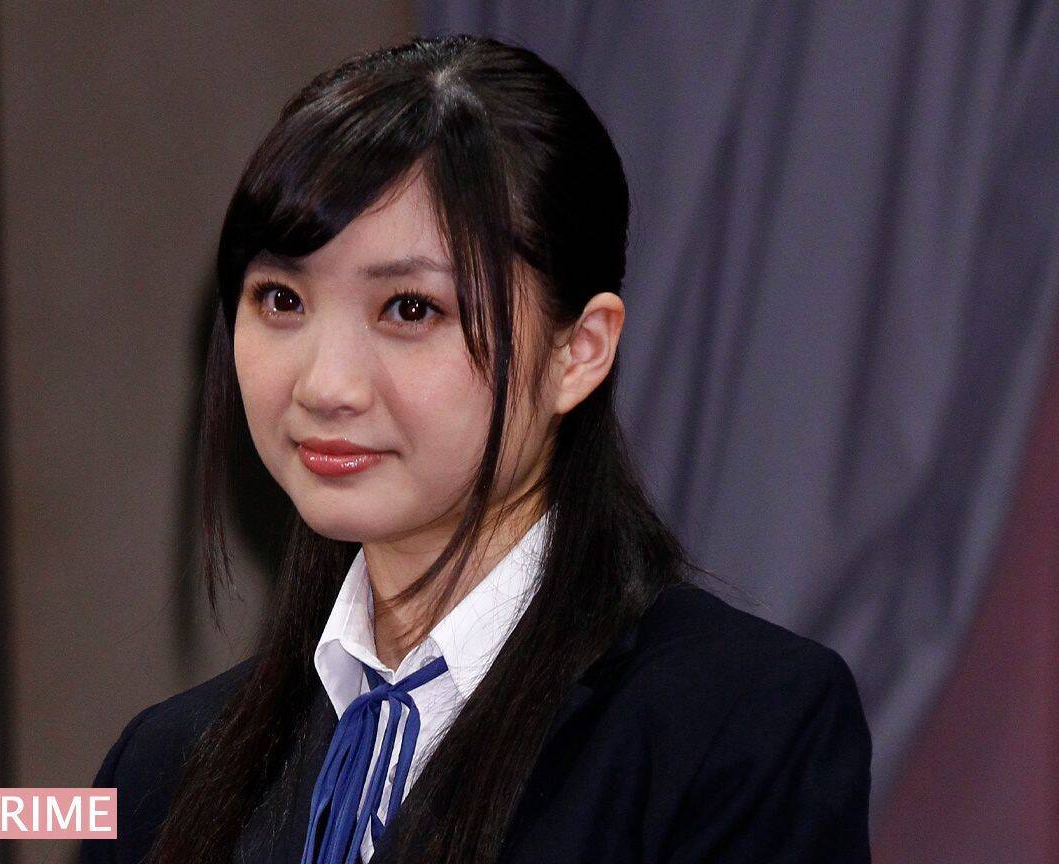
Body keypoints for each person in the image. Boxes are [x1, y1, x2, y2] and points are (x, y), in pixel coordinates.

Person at [79, 33, 872, 864]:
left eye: (410, 309)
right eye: (281, 299)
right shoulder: (160, 773)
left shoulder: (738, 728)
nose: (326, 384)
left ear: (579, 351)